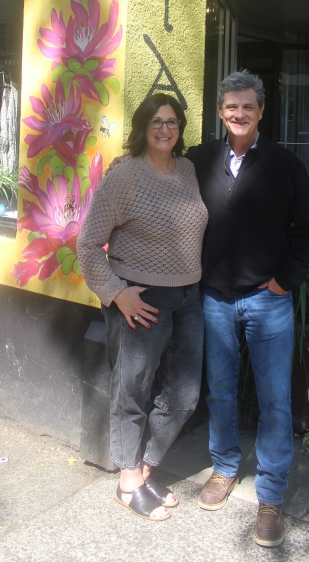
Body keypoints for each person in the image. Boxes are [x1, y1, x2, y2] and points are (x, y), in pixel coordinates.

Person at [186, 70, 309, 548]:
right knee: (220, 392)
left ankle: (271, 494)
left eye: (247, 106)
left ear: (261, 111)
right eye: (230, 106)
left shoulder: (284, 165)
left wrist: (284, 282)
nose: (238, 114)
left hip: (267, 301)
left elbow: (307, 230)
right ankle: (223, 467)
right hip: (215, 298)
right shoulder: (201, 159)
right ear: (221, 112)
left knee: (274, 400)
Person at [77, 93, 208, 522]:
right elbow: (89, 245)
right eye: (157, 121)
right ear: (143, 126)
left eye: (172, 121)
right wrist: (117, 292)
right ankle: (128, 480)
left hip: (188, 298)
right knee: (132, 391)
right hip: (141, 300)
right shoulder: (126, 175)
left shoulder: (187, 170)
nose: (165, 129)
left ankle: (143, 467)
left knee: (185, 396)